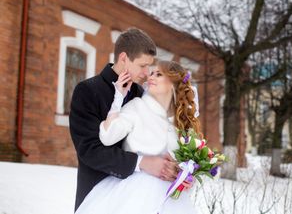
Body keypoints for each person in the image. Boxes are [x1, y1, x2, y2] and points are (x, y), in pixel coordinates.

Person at [69, 28, 178, 211]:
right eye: (142, 65)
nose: (146, 73)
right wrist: (142, 163)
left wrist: (170, 166)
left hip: (140, 200)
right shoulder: (87, 91)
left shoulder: (142, 93)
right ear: (124, 58)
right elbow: (89, 150)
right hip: (99, 198)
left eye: (149, 66)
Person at [75, 60, 201, 214]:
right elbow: (107, 137)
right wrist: (118, 99)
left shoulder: (181, 122)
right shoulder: (137, 106)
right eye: (152, 73)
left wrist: (187, 177)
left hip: (171, 201)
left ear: (172, 84)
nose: (150, 77)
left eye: (158, 74)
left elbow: (187, 162)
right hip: (134, 195)